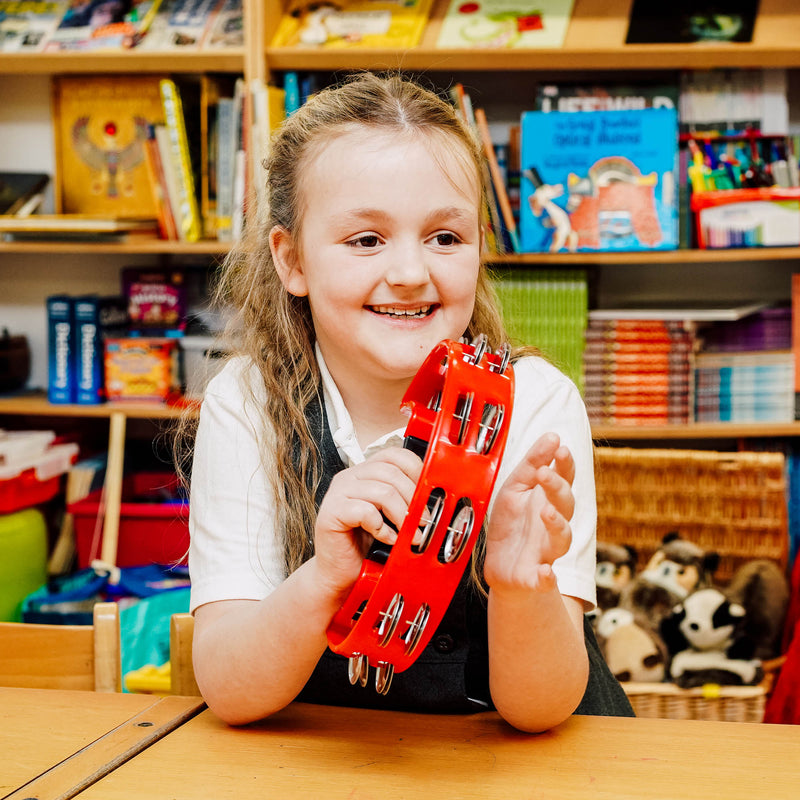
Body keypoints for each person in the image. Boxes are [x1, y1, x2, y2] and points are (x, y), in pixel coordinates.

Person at [186, 72, 632, 731]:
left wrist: (518, 588)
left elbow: (542, 710)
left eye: (445, 238)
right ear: (292, 261)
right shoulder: (246, 402)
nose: (409, 273)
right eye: (366, 239)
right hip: (331, 768)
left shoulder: (536, 402)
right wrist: (323, 577)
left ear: (479, 245)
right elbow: (228, 688)